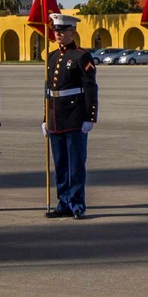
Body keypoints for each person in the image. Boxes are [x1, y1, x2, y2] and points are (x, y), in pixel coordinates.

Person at [42, 14, 98, 219]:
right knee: (60, 164)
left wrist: (90, 117)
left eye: (62, 30)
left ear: (72, 32)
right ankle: (63, 202)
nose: (58, 34)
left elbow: (90, 88)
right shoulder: (52, 56)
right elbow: (47, 91)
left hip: (74, 117)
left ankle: (76, 203)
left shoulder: (81, 56)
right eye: (56, 30)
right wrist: (44, 117)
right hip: (56, 117)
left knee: (75, 164)